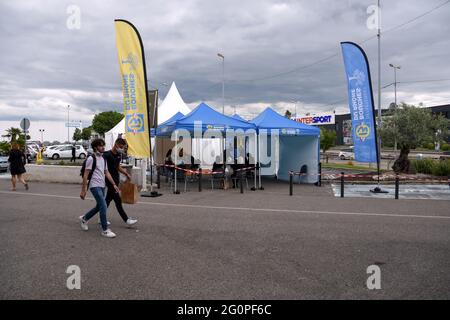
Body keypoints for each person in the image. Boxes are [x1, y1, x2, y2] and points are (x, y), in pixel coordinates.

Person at [79, 138, 120, 238]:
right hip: (94, 185)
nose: (103, 147)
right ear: (95, 147)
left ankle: (84, 218)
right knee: (103, 205)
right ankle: (105, 229)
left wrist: (114, 184)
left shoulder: (103, 159)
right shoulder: (91, 159)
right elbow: (85, 175)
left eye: (103, 145)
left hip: (102, 185)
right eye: (101, 145)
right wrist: (83, 190)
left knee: (99, 206)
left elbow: (106, 172)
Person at [103, 138, 138, 227]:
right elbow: (102, 168)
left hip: (116, 179)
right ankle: (126, 220)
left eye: (122, 147)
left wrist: (126, 173)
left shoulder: (118, 155)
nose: (121, 148)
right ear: (116, 144)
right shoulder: (106, 155)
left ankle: (100, 217)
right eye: (120, 146)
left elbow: (118, 167)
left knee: (107, 201)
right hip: (110, 181)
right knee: (118, 201)